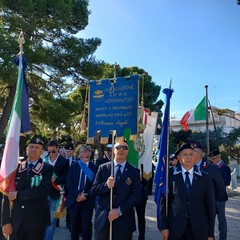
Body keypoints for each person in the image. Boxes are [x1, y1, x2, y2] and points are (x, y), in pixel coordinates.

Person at [159, 143, 215, 240]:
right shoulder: (170, 177)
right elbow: (163, 204)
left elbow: (211, 206)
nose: (189, 157)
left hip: (199, 228)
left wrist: (210, 233)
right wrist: (163, 227)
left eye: (191, 154)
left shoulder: (205, 177)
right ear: (179, 158)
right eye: (185, 154)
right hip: (176, 227)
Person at [1, 135, 53, 240]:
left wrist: (18, 195)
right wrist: (5, 221)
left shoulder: (47, 169)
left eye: (37, 147)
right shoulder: (15, 167)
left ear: (42, 151)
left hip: (36, 221)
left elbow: (43, 191)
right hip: (16, 220)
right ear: (26, 149)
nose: (33, 149)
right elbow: (6, 194)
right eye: (31, 146)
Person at [91, 139, 142, 240]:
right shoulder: (103, 168)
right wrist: (106, 186)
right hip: (103, 219)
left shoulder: (134, 171)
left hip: (124, 221)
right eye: (118, 147)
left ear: (128, 151)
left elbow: (137, 196)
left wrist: (119, 211)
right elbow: (93, 190)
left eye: (124, 148)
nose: (121, 150)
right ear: (113, 150)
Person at [66, 145, 98, 240]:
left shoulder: (95, 168)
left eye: (88, 152)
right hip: (74, 201)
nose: (87, 154)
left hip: (87, 202)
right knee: (74, 227)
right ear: (80, 154)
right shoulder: (74, 166)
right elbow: (69, 182)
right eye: (84, 152)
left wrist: (85, 195)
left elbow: (95, 185)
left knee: (86, 227)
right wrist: (77, 194)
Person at [44, 140, 69, 240]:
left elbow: (67, 178)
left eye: (53, 151)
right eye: (49, 151)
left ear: (58, 148)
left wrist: (56, 179)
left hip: (56, 195)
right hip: (44, 194)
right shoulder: (44, 160)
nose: (51, 153)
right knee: (42, 220)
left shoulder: (64, 161)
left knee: (51, 221)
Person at [209, 149, 231, 240]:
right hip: (211, 197)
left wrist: (215, 183)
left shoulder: (225, 167)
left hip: (220, 197)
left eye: (213, 158)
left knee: (221, 220)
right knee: (211, 219)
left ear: (218, 157)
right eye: (211, 159)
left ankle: (223, 238)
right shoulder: (211, 167)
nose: (212, 161)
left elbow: (227, 181)